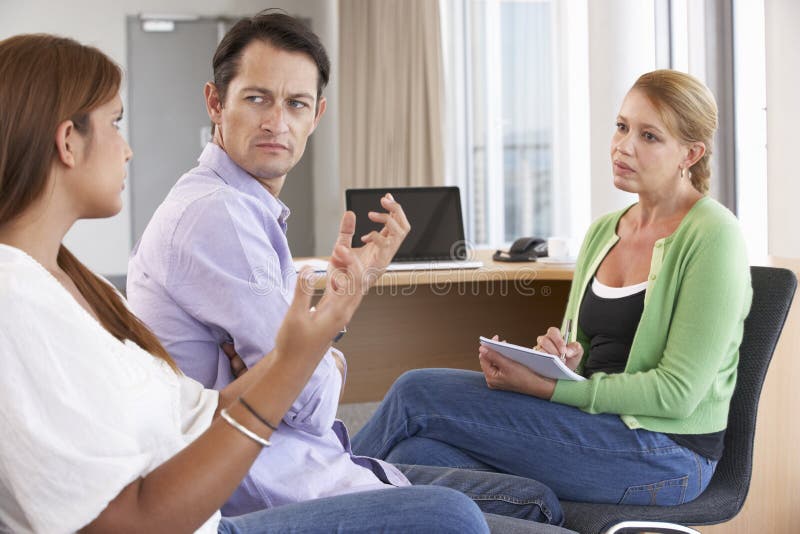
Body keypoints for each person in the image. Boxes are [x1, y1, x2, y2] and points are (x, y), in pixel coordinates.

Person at [0, 33, 558, 534]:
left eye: (295, 104)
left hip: (273, 468)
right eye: (256, 98)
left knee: (502, 479)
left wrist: (322, 328)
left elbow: (202, 406)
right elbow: (305, 405)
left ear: (316, 114)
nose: (276, 122)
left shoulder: (74, 279)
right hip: (255, 490)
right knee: (471, 510)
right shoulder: (213, 215)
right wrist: (302, 360)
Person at [352, 69, 753, 506]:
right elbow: (584, 356)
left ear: (690, 153)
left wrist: (548, 388)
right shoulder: (605, 231)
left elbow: (677, 394)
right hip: (595, 426)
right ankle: (536, 506)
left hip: (666, 454)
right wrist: (560, 361)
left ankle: (305, 499)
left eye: (649, 136)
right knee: (416, 455)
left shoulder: (714, 235)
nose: (623, 146)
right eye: (621, 126)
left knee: (417, 394)